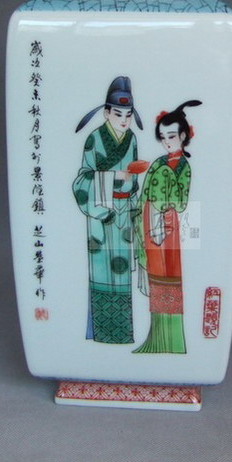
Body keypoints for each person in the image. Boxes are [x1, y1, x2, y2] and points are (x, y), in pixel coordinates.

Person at [72, 76, 143, 344]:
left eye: (128, 115)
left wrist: (132, 187)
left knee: (122, 275)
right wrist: (114, 177)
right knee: (102, 273)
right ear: (106, 113)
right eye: (118, 114)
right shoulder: (94, 139)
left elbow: (133, 181)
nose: (124, 120)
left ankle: (121, 336)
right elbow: (82, 180)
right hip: (101, 215)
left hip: (124, 215)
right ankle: (101, 334)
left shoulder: (132, 139)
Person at [133, 100, 202, 354]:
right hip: (150, 224)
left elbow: (181, 203)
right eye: (163, 138)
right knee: (155, 276)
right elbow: (144, 197)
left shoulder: (183, 167)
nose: (167, 142)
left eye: (171, 136)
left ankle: (171, 341)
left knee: (168, 276)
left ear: (183, 136)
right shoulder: (158, 163)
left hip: (169, 228)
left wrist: (165, 178)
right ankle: (157, 338)